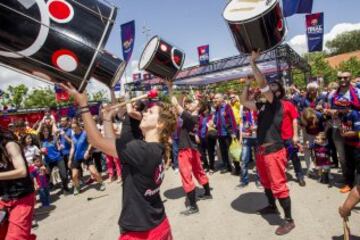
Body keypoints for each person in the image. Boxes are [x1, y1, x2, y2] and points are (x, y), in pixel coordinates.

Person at [60, 82, 176, 240]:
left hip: (141, 233)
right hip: (158, 224)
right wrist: (107, 119)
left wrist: (83, 105)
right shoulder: (155, 148)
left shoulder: (142, 150)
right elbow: (110, 145)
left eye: (149, 112)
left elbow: (96, 140)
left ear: (160, 124)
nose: (144, 114)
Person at [240, 50, 295, 235]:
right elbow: (243, 101)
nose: (267, 87)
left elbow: (262, 84)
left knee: (279, 185)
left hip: (274, 150)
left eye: (272, 86)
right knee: (265, 182)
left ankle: (289, 220)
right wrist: (247, 85)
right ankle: (271, 206)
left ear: (277, 92)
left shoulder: (276, 103)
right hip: (262, 152)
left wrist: (253, 64)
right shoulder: (263, 106)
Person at [169, 88, 212, 216]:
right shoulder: (194, 117)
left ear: (198, 107)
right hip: (192, 148)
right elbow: (179, 106)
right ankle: (208, 193)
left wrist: (170, 88)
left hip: (185, 148)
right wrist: (181, 97)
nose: (191, 103)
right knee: (199, 171)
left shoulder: (190, 117)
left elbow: (175, 105)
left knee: (186, 176)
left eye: (194, 103)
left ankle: (193, 206)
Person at [0, 127, 36, 240]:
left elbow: (22, 171)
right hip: (4, 199)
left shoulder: (9, 145)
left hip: (22, 198)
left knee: (14, 238)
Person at [326, 71, 360, 193]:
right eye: (340, 78)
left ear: (350, 78)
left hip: (355, 127)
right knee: (344, 157)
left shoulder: (357, 92)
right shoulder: (332, 94)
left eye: (345, 77)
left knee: (357, 156)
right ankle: (348, 181)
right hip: (338, 128)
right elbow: (328, 109)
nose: (342, 80)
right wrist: (332, 112)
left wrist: (350, 112)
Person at [69, 121, 105, 195]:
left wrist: (87, 151)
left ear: (79, 126)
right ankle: (77, 187)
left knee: (93, 172)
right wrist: (70, 159)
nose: (74, 129)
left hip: (86, 156)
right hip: (77, 157)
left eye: (75, 127)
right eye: (72, 128)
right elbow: (72, 148)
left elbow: (91, 142)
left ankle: (101, 183)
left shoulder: (85, 133)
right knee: (74, 175)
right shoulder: (73, 137)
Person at [39, 125, 70, 194]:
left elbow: (58, 147)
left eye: (47, 131)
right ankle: (46, 192)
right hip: (48, 161)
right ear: (42, 132)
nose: (46, 132)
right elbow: (40, 153)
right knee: (45, 176)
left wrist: (60, 147)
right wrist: (41, 152)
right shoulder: (41, 141)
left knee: (64, 175)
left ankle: (65, 187)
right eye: (44, 131)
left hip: (58, 158)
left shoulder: (53, 138)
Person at [213, 93, 238, 174]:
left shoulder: (227, 107)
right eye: (214, 98)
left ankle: (237, 168)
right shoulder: (217, 109)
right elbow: (216, 120)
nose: (215, 100)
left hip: (228, 133)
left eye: (216, 98)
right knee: (223, 151)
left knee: (232, 150)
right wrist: (214, 124)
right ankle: (227, 167)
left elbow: (232, 120)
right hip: (220, 134)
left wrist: (233, 132)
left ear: (221, 99)